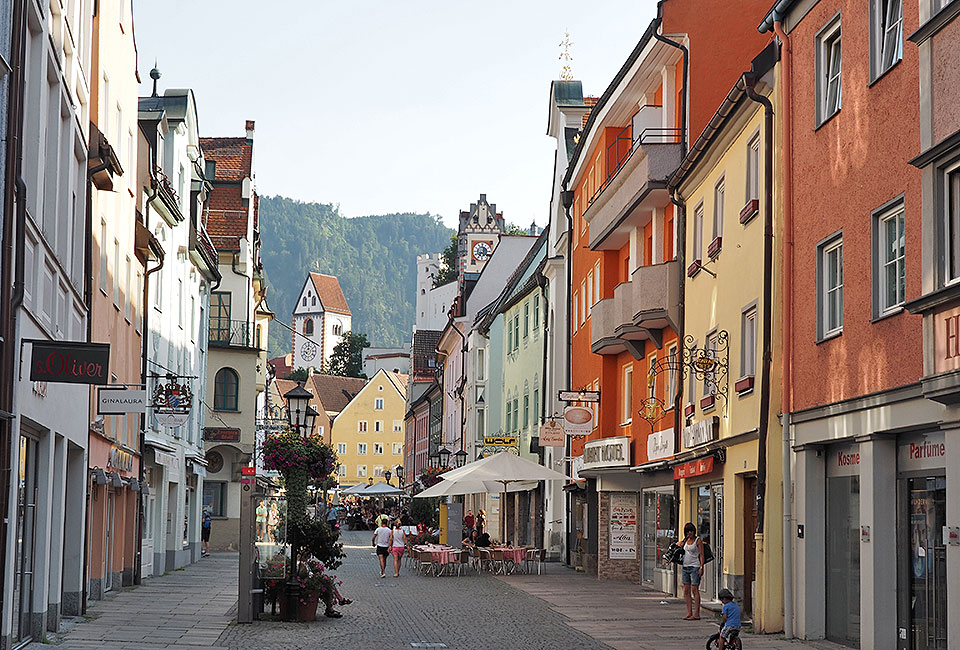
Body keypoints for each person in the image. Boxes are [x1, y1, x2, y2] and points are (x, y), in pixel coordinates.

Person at [676, 522, 704, 620]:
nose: (690, 533)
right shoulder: (685, 541)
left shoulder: (698, 540)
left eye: (691, 531)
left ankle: (696, 613)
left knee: (694, 590)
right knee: (686, 590)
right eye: (688, 531)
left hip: (695, 566)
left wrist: (701, 567)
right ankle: (689, 612)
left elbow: (701, 555)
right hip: (685, 567)